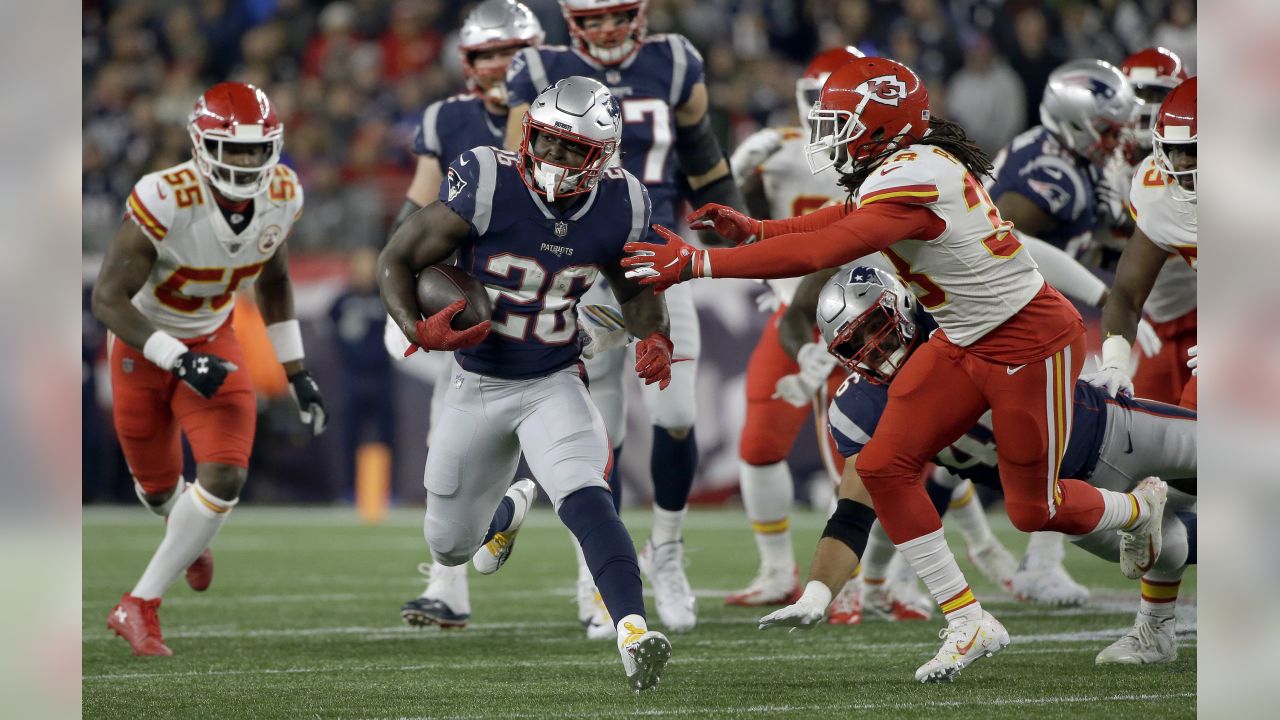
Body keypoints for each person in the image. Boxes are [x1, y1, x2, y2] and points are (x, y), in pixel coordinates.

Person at [622, 57, 1168, 682]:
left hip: (1027, 342)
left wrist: (698, 264)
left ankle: (1136, 510)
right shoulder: (900, 165)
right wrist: (755, 230)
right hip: (964, 339)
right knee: (882, 466)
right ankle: (968, 621)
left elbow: (824, 249)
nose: (826, 136)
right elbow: (834, 221)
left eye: (838, 123)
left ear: (880, 129)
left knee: (1032, 510)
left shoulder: (915, 179)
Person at [378, 77, 673, 691]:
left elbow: (638, 293)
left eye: (573, 149)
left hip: (553, 378)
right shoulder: (489, 179)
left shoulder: (624, 203)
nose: (555, 159)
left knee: (585, 492)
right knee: (450, 547)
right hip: (475, 382)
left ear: (603, 155)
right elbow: (396, 259)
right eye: (547, 142)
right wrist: (416, 327)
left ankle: (633, 629)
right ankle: (506, 509)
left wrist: (655, 338)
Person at [757, 266, 1197, 666]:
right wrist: (817, 593)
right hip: (1061, 493)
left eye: (877, 325)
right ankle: (1155, 632)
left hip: (1107, 427)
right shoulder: (862, 407)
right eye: (857, 343)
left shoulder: (959, 321)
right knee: (1170, 549)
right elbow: (853, 512)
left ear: (904, 304)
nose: (875, 345)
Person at [501, 0, 750, 633]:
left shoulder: (671, 62)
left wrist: (751, 243)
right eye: (596, 19)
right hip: (578, 263)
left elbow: (706, 163)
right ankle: (596, 572)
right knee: (595, 426)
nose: (609, 30)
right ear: (572, 21)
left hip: (655, 257)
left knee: (677, 413)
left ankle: (666, 550)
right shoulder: (539, 69)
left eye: (619, 16)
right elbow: (514, 172)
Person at [92, 82, 326, 656]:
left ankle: (139, 602)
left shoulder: (284, 193)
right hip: (143, 347)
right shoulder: (165, 195)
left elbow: (273, 280)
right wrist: (175, 357)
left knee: (224, 475)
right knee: (157, 490)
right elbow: (107, 299)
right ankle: (187, 536)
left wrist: (295, 370)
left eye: (256, 150)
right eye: (234, 149)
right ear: (201, 144)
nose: (246, 162)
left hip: (215, 340)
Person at [392, 0, 547, 634]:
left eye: (512, 54)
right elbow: (415, 209)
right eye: (487, 55)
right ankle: (450, 584)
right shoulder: (448, 118)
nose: (498, 67)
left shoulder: (559, 111)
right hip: (469, 292)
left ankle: (596, 588)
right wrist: (398, 290)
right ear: (467, 60)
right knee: (450, 435)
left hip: (548, 289)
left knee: (578, 425)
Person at [1117, 49, 1197, 407]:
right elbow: (1127, 290)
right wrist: (1115, 357)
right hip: (1167, 321)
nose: (1181, 166)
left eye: (1192, 152)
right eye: (1175, 151)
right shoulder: (1156, 186)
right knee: (1145, 442)